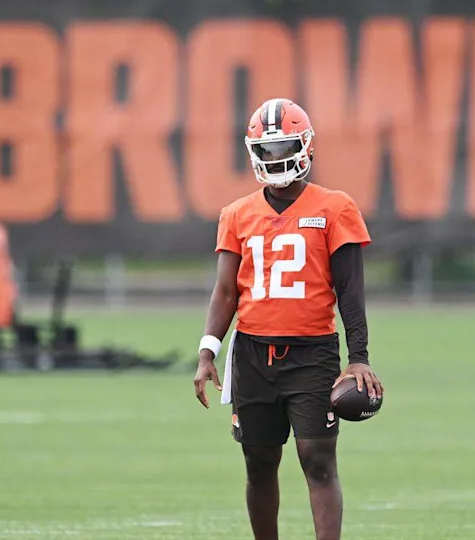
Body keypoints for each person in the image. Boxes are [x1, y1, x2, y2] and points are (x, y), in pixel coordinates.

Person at [193, 98, 384, 540]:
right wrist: (207, 351)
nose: (276, 157)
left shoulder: (336, 207)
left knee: (318, 460)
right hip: (252, 354)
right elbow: (226, 291)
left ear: (306, 147)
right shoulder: (236, 214)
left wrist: (358, 356)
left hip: (312, 354)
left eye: (284, 147)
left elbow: (350, 290)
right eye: (268, 149)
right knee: (259, 464)